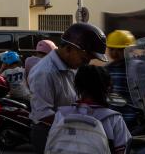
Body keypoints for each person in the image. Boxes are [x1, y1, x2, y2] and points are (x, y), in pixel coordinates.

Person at [29, 22, 108, 153]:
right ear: (68, 49)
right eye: (84, 59)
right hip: (50, 133)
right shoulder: (44, 72)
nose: (86, 63)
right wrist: (81, 125)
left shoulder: (72, 66)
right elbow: (43, 115)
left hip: (69, 131)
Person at [47, 65, 131, 154]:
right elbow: (123, 150)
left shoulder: (61, 114)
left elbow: (51, 145)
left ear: (77, 86)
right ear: (107, 88)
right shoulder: (114, 119)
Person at [105, 30, 139, 129]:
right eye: (112, 49)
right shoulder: (107, 70)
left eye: (119, 50)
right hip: (113, 120)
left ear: (130, 50)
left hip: (134, 122)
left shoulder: (138, 67)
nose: (114, 53)